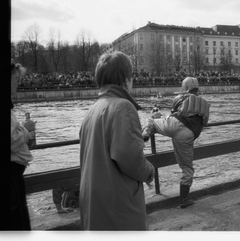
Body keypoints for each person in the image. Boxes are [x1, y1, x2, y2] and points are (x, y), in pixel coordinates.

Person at [79, 51, 155, 230]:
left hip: (93, 201)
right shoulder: (123, 106)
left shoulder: (92, 111)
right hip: (118, 203)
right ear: (126, 79)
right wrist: (149, 171)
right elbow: (129, 157)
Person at [142, 77, 210, 208]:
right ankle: (184, 200)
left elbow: (174, 114)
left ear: (184, 87)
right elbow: (204, 122)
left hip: (173, 125)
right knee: (187, 169)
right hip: (187, 134)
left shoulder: (179, 98)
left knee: (153, 121)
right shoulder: (204, 103)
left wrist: (159, 118)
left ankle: (145, 134)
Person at [10, 62, 33, 230]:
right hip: (10, 180)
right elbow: (11, 138)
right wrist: (25, 130)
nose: (18, 83)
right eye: (16, 79)